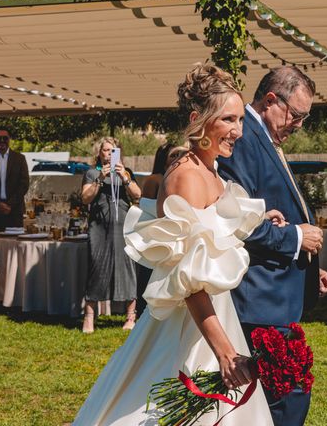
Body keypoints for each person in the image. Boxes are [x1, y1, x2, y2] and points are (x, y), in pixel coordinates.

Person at [73, 63, 279, 425]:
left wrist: (262, 219)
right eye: (229, 120)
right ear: (199, 119)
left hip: (218, 312)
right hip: (190, 325)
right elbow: (187, 279)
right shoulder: (185, 175)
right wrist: (225, 353)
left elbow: (211, 233)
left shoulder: (209, 167)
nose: (239, 131)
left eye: (241, 120)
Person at [217, 65, 327, 426]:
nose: (299, 126)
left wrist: (308, 265)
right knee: (287, 398)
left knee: (278, 399)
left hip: (276, 292)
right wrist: (298, 237)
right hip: (258, 300)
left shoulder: (263, 138)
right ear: (271, 100)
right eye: (297, 116)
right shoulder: (242, 141)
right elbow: (237, 222)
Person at [81, 137, 142, 333]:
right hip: (99, 227)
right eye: (105, 150)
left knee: (127, 267)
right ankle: (89, 316)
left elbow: (137, 195)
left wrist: (125, 177)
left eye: (112, 151)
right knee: (96, 268)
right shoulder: (92, 173)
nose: (108, 154)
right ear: (99, 153)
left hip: (123, 226)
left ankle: (130, 316)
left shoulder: (126, 173)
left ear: (119, 153)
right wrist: (99, 180)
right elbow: (85, 198)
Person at [136, 142, 179, 317]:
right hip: (156, 236)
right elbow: (144, 207)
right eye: (173, 155)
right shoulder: (154, 180)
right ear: (163, 160)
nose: (178, 158)